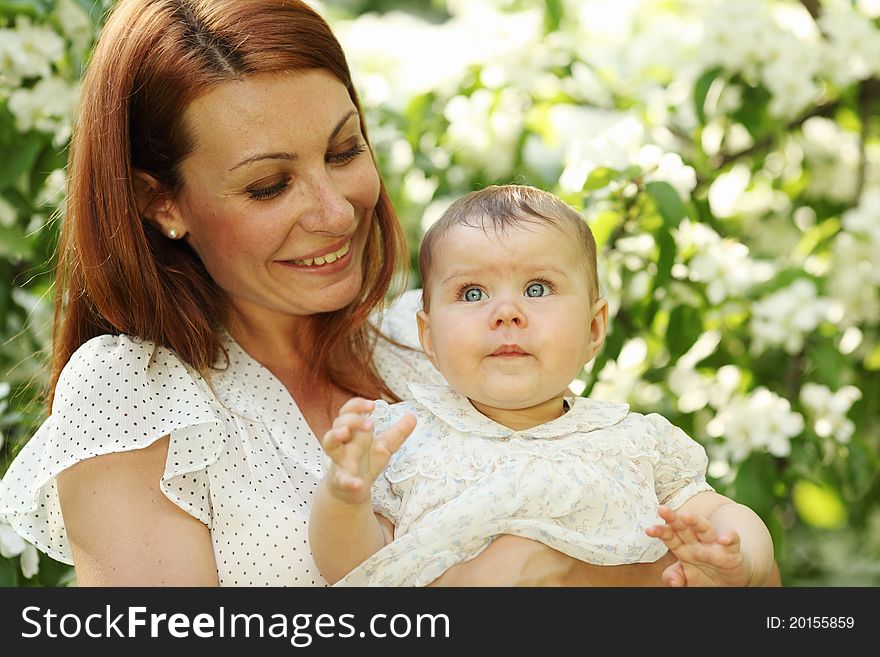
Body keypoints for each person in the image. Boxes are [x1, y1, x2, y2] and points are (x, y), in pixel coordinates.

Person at [0, 0, 743, 587]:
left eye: (345, 149)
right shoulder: (135, 396)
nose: (334, 210)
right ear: (160, 202)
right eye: (268, 184)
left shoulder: (439, 340)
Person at [310, 184, 777, 587]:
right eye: (472, 293)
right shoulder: (405, 440)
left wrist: (738, 560)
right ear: (428, 337)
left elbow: (721, 514)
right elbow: (357, 570)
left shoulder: (637, 442)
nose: (507, 311)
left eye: (537, 288)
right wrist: (345, 497)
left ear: (594, 329)